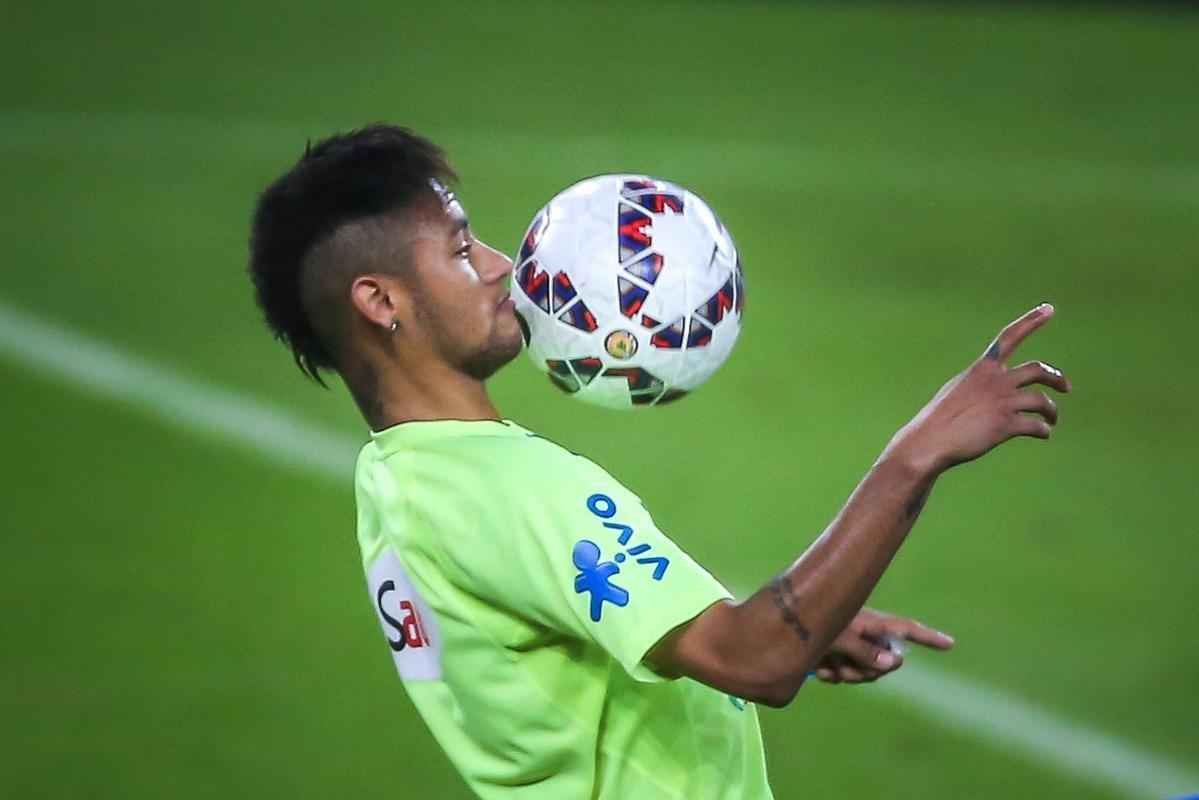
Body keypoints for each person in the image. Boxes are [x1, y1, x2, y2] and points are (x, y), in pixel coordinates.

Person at [248, 125, 1070, 800]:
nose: (503, 266)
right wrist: (916, 452)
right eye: (462, 251)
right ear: (380, 301)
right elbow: (756, 660)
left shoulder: (395, 478)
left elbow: (546, 635)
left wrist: (803, 623)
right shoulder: (516, 488)